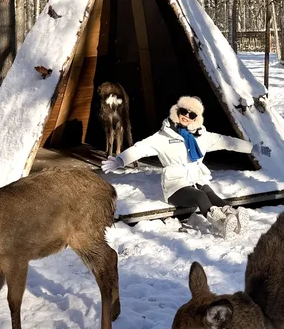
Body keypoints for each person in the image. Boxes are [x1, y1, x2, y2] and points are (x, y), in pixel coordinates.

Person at [101, 95, 257, 236]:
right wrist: (120, 160)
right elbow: (140, 148)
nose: (186, 117)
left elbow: (228, 142)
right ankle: (221, 223)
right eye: (184, 111)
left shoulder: (203, 137)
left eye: (192, 114)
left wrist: (253, 148)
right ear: (177, 110)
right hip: (175, 187)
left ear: (197, 118)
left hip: (196, 181)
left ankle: (232, 216)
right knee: (201, 196)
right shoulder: (163, 136)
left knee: (210, 192)